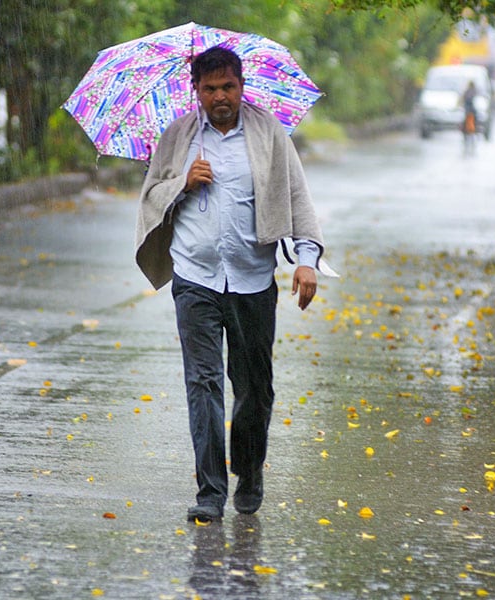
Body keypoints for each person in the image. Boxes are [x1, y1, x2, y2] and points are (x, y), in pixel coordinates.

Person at [133, 46, 326, 523]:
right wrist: (182, 183)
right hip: (195, 278)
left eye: (228, 87)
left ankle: (249, 469)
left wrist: (306, 260)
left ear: (242, 86)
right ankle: (210, 492)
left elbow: (297, 197)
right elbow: (150, 195)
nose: (220, 96)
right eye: (210, 88)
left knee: (254, 388)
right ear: (195, 91)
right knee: (202, 383)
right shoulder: (178, 137)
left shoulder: (269, 133)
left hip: (253, 279)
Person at [461, 80, 477, 155]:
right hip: (471, 112)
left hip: (468, 112)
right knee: (471, 126)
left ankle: (468, 135)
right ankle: (470, 134)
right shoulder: (473, 91)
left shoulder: (467, 92)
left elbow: (463, 99)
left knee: (468, 126)